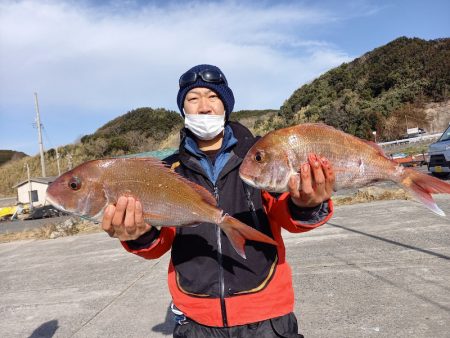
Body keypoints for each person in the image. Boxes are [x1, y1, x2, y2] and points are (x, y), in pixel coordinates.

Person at [101, 64, 335, 338]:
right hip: (196, 320)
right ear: (184, 110)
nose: (203, 107)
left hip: (267, 319)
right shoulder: (166, 171)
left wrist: (307, 203)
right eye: (192, 98)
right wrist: (138, 234)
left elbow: (286, 213)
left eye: (213, 97)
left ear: (226, 105)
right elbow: (161, 240)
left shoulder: (261, 157)